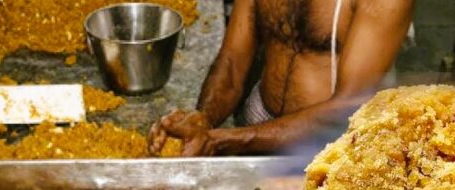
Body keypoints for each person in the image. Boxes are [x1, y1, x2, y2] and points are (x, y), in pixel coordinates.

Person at [149, 0, 414, 156]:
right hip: (258, 115)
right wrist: (202, 120)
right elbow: (233, 59)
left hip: (333, 146)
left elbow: (346, 108)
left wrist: (225, 139)